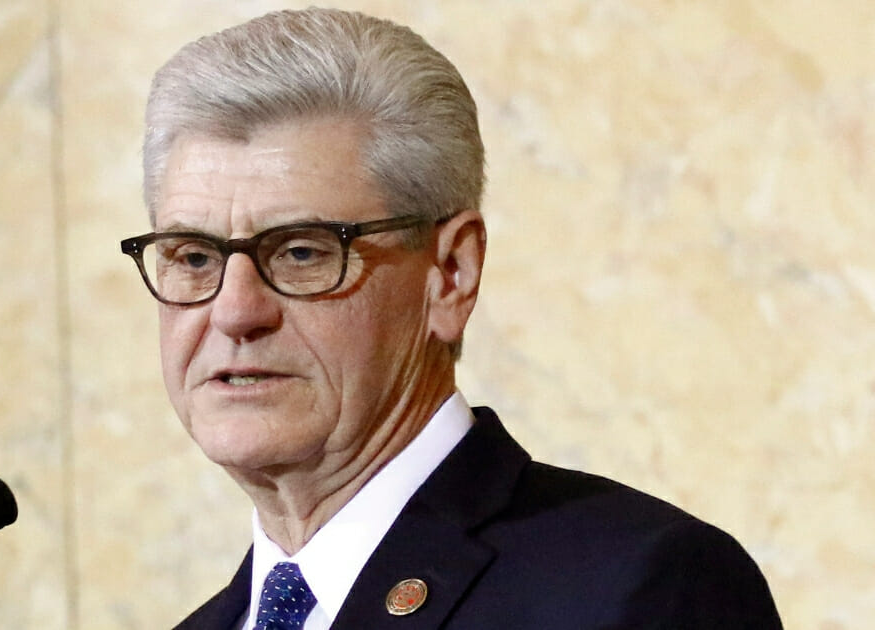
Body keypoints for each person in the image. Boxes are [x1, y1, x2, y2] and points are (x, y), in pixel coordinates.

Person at [121, 8, 782, 629]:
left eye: (301, 252)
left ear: (450, 275)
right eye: (195, 256)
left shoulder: (642, 589)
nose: (236, 310)